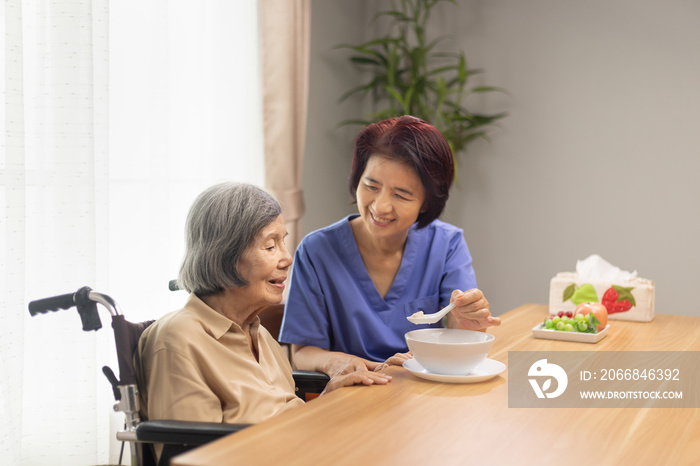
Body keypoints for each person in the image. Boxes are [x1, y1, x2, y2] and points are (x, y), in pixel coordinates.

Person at [135, 183, 391, 455]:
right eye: (270, 246)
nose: (287, 258)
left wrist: (330, 397)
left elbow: (284, 415)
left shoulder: (260, 334)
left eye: (283, 242)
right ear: (226, 255)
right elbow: (195, 453)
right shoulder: (178, 339)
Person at [279, 115, 501, 378]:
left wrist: (467, 324)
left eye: (401, 195)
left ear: (427, 203)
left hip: (422, 391)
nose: (380, 206)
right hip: (352, 395)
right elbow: (303, 351)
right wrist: (343, 364)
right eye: (371, 186)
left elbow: (457, 329)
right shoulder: (317, 251)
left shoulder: (446, 244)